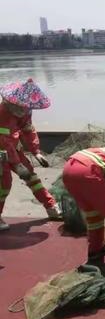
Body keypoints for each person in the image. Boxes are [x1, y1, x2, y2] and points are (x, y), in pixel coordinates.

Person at [0, 78, 61, 231]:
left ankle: (51, 206)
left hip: (14, 148)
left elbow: (27, 129)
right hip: (2, 151)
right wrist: (18, 165)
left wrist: (36, 152)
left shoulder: (25, 110)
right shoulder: (2, 113)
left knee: (32, 178)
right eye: (23, 107)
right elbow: (3, 141)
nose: (25, 111)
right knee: (4, 185)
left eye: (28, 108)